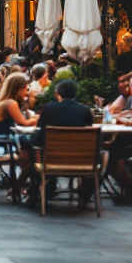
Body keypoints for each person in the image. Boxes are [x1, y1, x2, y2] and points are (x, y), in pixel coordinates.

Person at [34, 78, 97, 207]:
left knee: (33, 151)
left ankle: (38, 194)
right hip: (80, 162)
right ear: (75, 93)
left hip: (51, 161)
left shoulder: (49, 109)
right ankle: (85, 196)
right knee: (100, 156)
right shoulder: (85, 111)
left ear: (57, 93)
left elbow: (38, 134)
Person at [0, 72, 37, 198]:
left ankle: (17, 186)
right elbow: (24, 123)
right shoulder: (10, 103)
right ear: (18, 88)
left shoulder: (6, 102)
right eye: (26, 89)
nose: (27, 93)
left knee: (27, 152)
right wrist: (39, 119)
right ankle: (18, 186)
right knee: (32, 155)